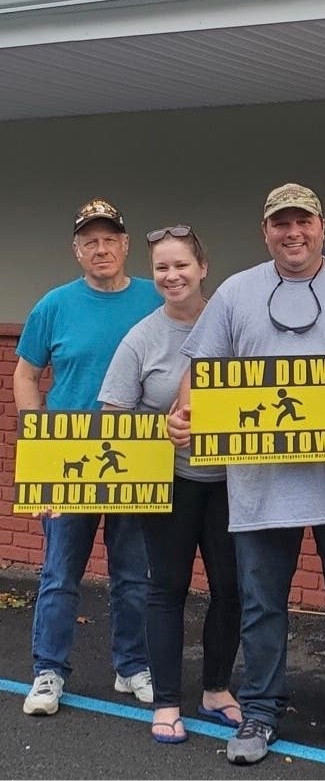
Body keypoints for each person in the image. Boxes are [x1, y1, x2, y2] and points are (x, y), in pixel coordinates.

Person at [167, 183, 325, 766]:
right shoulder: (235, 292)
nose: (292, 233)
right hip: (260, 483)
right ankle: (261, 711)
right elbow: (201, 371)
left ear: (322, 226)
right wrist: (184, 416)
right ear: (266, 231)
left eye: (303, 221)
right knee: (262, 602)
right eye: (281, 223)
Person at [15, 197, 162, 716]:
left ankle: (132, 666)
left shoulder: (155, 298)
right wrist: (37, 444)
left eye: (109, 239)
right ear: (77, 251)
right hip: (68, 458)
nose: (101, 249)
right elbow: (26, 376)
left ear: (125, 246)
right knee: (59, 573)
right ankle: (48, 672)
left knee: (131, 573)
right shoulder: (52, 305)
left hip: (136, 457)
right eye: (89, 241)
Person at [98, 225, 241, 744]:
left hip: (233, 482)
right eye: (162, 267)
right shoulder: (143, 336)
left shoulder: (235, 324)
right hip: (172, 483)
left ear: (203, 269)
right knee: (167, 590)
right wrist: (161, 427)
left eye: (182, 265)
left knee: (232, 589)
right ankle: (166, 701)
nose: (172, 275)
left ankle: (217, 689)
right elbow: (112, 415)